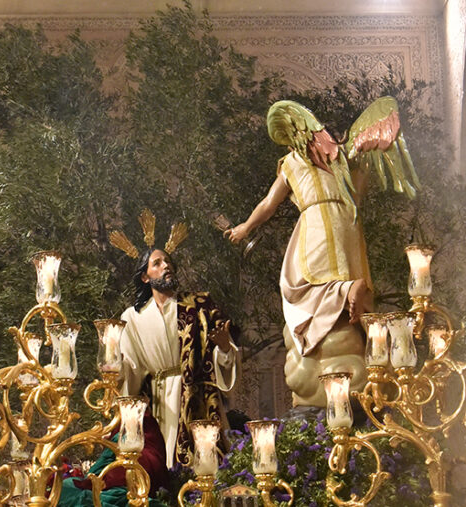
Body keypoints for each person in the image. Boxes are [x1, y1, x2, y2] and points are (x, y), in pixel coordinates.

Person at [225, 99, 419, 404]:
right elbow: (271, 204)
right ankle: (349, 293)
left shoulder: (319, 159)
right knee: (313, 282)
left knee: (307, 283)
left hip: (322, 224)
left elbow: (268, 203)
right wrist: (246, 227)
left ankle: (348, 294)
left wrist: (245, 228)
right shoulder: (322, 158)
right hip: (341, 223)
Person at [110, 215, 238, 468]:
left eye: (168, 261)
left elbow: (222, 358)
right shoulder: (132, 318)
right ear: (145, 277)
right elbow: (131, 370)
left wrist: (224, 347)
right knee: (158, 465)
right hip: (158, 403)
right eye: (157, 263)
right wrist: (114, 371)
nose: (166, 266)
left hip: (197, 400)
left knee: (203, 468)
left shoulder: (200, 307)